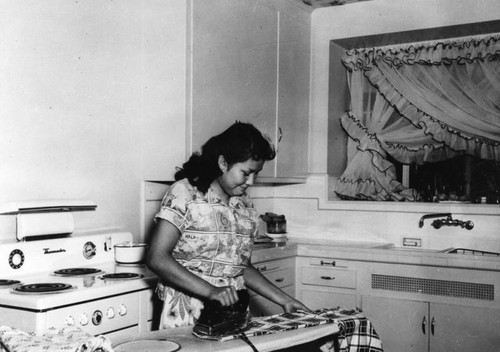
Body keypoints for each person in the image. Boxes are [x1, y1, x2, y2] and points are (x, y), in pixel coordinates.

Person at [147, 121, 309, 329]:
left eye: (256, 174)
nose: (251, 182)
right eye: (245, 172)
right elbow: (157, 258)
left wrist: (284, 300)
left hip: (233, 310)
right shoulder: (184, 193)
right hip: (185, 311)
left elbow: (241, 267)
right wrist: (211, 291)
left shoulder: (245, 205)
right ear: (223, 163)